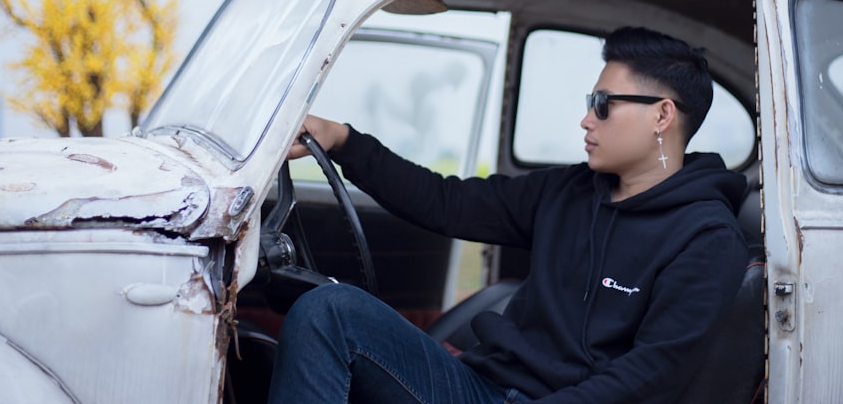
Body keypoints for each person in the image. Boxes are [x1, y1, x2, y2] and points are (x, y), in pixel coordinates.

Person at [268, 26, 749, 403]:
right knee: (328, 309)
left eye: (602, 105)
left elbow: (650, 378)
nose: (586, 119)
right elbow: (445, 201)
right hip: (482, 388)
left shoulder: (706, 237)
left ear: (662, 116)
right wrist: (342, 141)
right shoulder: (568, 191)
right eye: (590, 104)